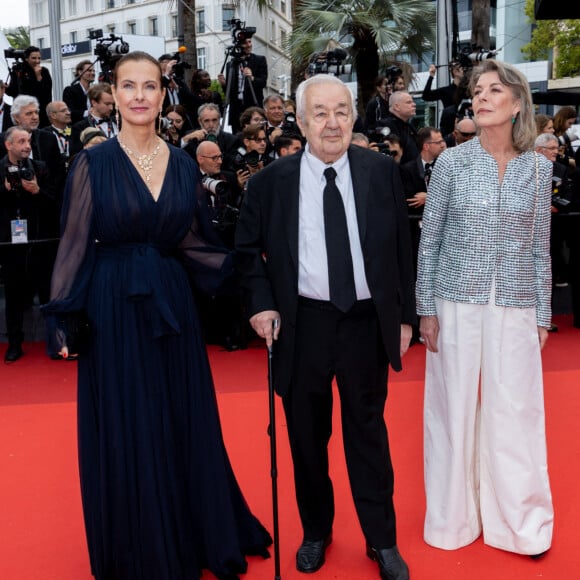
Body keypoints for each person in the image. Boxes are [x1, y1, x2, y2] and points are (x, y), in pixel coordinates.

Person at [41, 51, 272, 580]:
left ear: (163, 95)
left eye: (150, 85)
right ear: (114, 95)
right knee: (128, 420)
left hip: (171, 302)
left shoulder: (185, 163)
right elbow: (74, 244)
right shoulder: (92, 163)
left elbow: (195, 242)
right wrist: (62, 314)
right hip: (114, 302)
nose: (140, 95)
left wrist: (253, 273)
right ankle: (140, 544)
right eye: (129, 86)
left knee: (179, 414)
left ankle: (191, 530)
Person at [235, 74, 416, 580]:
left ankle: (382, 541)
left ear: (354, 116)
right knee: (306, 440)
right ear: (300, 120)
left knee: (369, 436)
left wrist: (402, 315)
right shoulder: (271, 183)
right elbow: (247, 254)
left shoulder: (382, 172)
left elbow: (403, 249)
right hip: (302, 325)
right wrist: (261, 305)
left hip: (363, 324)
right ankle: (317, 531)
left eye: (341, 110)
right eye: (319, 112)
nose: (332, 122)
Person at [416, 59, 554, 558]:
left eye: (495, 89)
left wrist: (542, 313)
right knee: (451, 410)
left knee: (516, 411)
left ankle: (520, 523)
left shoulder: (540, 168)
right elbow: (429, 240)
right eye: (477, 90)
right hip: (455, 300)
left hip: (515, 302)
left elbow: (541, 246)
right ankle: (452, 520)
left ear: (517, 102)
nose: (482, 96)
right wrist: (425, 307)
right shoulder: (452, 163)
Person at [0, 126, 60, 362]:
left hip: (38, 242)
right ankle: (14, 344)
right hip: (10, 245)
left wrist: (37, 191)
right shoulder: (0, 169)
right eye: (22, 141)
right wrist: (4, 191)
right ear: (9, 145)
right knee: (14, 296)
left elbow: (54, 204)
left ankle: (56, 340)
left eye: (29, 141)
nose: (27, 146)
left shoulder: (40, 168)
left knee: (47, 293)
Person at [218, 37, 268, 133]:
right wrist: (224, 84)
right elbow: (230, 92)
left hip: (253, 106)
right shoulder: (230, 65)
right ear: (238, 46)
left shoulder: (260, 60)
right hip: (236, 110)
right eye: (245, 43)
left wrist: (252, 77)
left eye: (249, 42)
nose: (249, 45)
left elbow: (263, 82)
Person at [6, 46, 53, 128]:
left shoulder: (44, 71)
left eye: (39, 58)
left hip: (40, 113)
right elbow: (13, 91)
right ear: (27, 58)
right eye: (34, 58)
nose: (37, 61)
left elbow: (46, 94)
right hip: (23, 111)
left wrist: (38, 77)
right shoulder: (19, 70)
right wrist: (5, 88)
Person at [379, 91, 419, 164]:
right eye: (408, 102)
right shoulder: (385, 126)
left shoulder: (410, 126)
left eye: (413, 102)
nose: (414, 105)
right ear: (397, 107)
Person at [62, 60, 96, 124]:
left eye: (93, 71)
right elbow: (70, 112)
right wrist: (88, 112)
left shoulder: (95, 91)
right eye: (89, 70)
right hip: (78, 127)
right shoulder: (70, 90)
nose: (92, 73)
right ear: (80, 72)